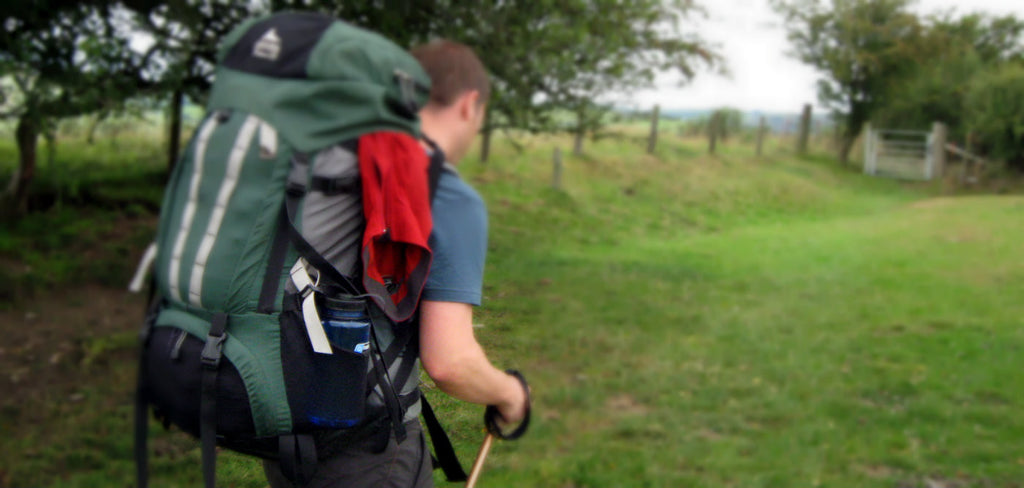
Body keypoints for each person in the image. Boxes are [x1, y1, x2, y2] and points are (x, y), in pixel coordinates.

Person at [263, 39, 529, 488]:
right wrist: (511, 395)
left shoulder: (321, 167)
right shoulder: (445, 192)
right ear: (469, 105)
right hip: (367, 450)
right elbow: (450, 362)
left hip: (285, 431)